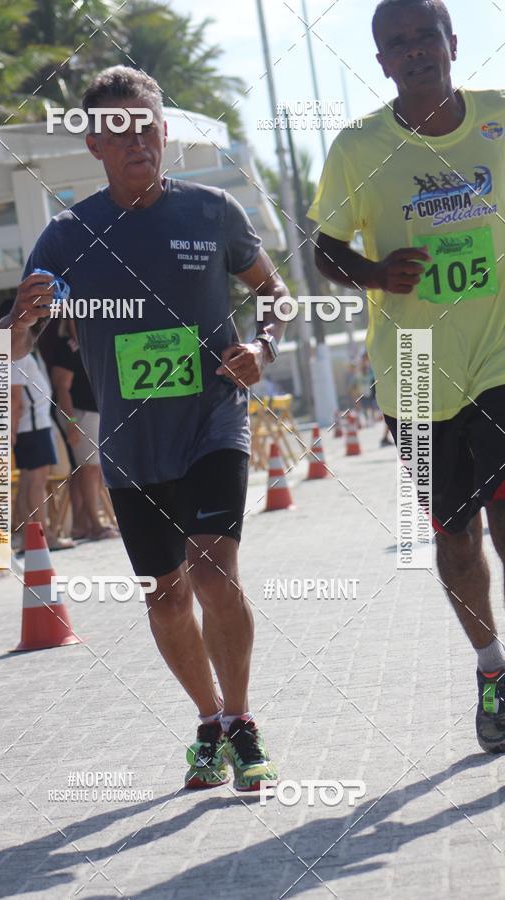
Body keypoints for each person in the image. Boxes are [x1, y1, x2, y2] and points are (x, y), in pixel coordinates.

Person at [0, 65, 289, 791]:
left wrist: (264, 347)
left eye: (148, 125)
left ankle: (244, 720)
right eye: (119, 129)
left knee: (212, 567)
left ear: (164, 132)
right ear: (94, 143)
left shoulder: (212, 211)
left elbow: (275, 295)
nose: (138, 140)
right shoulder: (67, 235)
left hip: (212, 420)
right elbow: (8, 348)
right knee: (165, 595)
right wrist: (22, 316)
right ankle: (208, 720)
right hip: (130, 446)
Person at [308, 0, 505, 753]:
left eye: (428, 36)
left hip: (499, 354)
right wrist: (374, 272)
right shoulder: (360, 148)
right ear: (383, 61)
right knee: (456, 537)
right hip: (415, 372)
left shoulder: (498, 119)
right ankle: (492, 670)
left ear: (454, 44)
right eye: (400, 44)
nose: (417, 51)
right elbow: (323, 247)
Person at [0, 299, 72, 552]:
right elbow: (14, 398)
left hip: (34, 425)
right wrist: (12, 432)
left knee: (30, 483)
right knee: (35, 484)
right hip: (32, 426)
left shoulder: (20, 349)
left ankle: (32, 536)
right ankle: (44, 536)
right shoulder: (15, 351)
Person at [51, 321, 118, 541]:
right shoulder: (65, 346)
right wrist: (71, 422)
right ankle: (96, 525)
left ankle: (82, 524)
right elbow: (62, 387)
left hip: (94, 411)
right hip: (78, 412)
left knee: (88, 470)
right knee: (90, 469)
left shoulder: (92, 342)